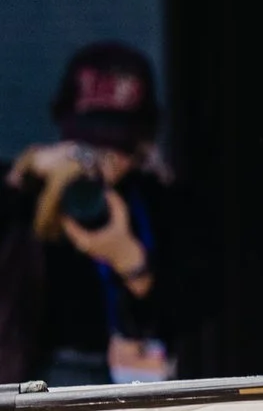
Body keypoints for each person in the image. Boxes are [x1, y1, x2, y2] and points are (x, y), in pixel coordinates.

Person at [0, 40, 195, 386]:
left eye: (117, 147)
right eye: (88, 145)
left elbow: (199, 311)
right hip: (31, 381)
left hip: (137, 386)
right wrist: (24, 176)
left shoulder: (161, 205)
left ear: (142, 145)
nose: (101, 160)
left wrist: (130, 258)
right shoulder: (30, 193)